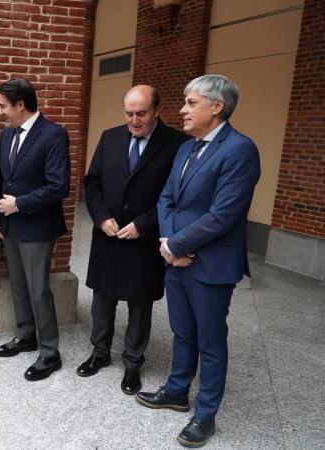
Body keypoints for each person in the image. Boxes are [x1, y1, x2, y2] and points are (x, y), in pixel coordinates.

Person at [135, 75, 260, 447]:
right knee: (182, 332)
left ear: (216, 106)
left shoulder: (240, 149)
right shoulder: (187, 148)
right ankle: (176, 391)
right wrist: (169, 243)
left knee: (210, 341)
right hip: (176, 258)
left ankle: (205, 415)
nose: (182, 110)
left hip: (210, 266)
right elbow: (166, 198)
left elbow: (224, 214)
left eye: (191, 103)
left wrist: (177, 243)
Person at [79, 85, 189, 394]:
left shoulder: (177, 144)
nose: (134, 120)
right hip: (108, 235)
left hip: (144, 240)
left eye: (141, 113)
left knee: (140, 305)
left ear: (156, 111)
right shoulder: (110, 137)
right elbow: (92, 182)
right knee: (102, 299)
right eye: (129, 113)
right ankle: (99, 353)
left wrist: (144, 224)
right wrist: (100, 216)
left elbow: (177, 195)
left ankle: (132, 363)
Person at [0, 78, 70, 381]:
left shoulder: (53, 135)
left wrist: (21, 204)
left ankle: (50, 353)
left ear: (20, 105)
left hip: (37, 226)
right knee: (19, 287)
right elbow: (4, 182)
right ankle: (25, 336)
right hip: (11, 225)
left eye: (2, 106)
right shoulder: (7, 134)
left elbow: (58, 186)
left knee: (38, 290)